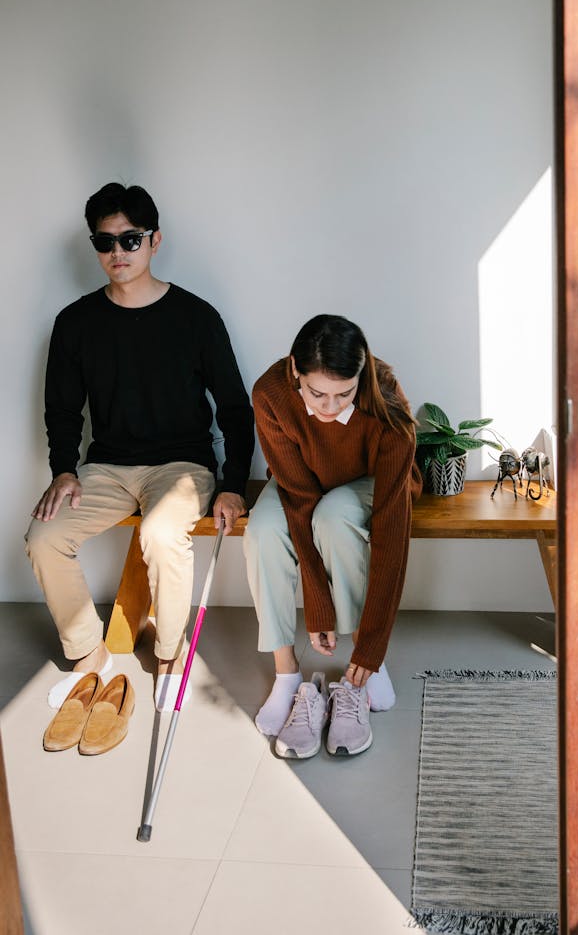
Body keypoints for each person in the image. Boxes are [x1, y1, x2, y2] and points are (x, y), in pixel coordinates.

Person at [26, 182, 253, 712]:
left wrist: (233, 485)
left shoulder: (196, 317)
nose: (118, 253)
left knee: (160, 533)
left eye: (131, 240)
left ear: (155, 241)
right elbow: (61, 409)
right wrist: (64, 470)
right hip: (106, 467)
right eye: (105, 243)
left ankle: (172, 657)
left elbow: (235, 409)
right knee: (43, 536)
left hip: (182, 466)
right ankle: (89, 657)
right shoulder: (75, 322)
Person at [244, 314, 421, 757]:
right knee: (263, 528)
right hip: (304, 481)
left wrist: (374, 643)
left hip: (371, 484)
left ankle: (364, 664)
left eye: (344, 393)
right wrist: (317, 606)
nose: (328, 406)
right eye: (316, 392)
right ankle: (286, 674)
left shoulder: (387, 398)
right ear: (294, 372)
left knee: (335, 516)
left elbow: (391, 529)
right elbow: (299, 497)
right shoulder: (270, 394)